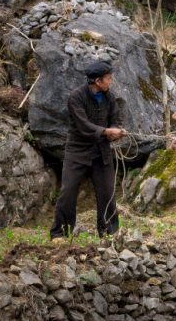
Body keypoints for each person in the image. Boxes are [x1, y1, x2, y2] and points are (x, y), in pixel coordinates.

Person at [50, 61, 124, 240]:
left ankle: (110, 233)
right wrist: (106, 131)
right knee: (68, 193)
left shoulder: (110, 97)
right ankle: (59, 234)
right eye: (108, 79)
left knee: (107, 193)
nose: (110, 81)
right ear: (98, 81)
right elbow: (83, 125)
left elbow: (116, 119)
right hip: (77, 152)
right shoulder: (76, 97)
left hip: (102, 153)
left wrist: (116, 131)